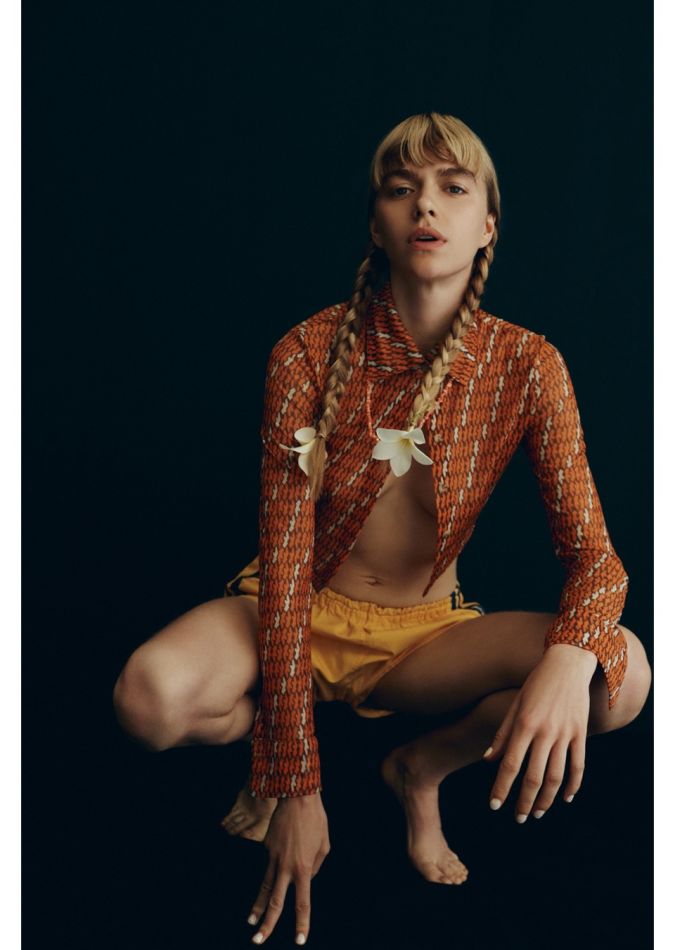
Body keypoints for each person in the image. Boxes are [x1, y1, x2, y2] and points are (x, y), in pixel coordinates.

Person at [112, 112, 652, 947]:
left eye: (451, 188)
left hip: (421, 639)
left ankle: (420, 768)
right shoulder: (305, 351)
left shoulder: (526, 365)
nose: (425, 206)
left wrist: (568, 657)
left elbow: (595, 558)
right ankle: (271, 720)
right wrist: (291, 777)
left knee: (621, 679)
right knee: (146, 702)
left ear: (487, 226)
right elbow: (285, 563)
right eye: (401, 190)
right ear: (376, 224)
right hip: (292, 608)